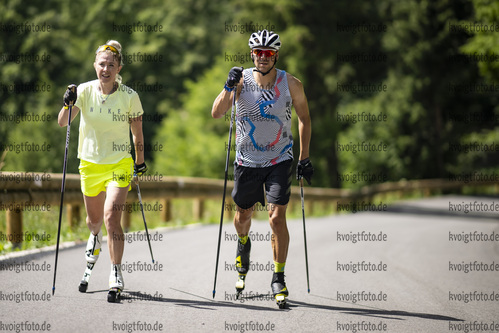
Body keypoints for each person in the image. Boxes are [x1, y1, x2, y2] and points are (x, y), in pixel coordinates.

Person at [211, 30, 313, 304]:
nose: (263, 58)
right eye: (258, 53)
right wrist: (228, 86)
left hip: (280, 159)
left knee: (276, 218)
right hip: (247, 161)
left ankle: (278, 277)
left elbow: (304, 118)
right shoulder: (241, 81)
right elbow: (217, 112)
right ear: (252, 54)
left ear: (276, 55)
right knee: (242, 217)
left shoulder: (291, 83)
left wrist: (304, 158)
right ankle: (243, 243)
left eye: (269, 53)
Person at [57, 40, 147, 302]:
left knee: (111, 218)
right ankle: (94, 238)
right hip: (90, 164)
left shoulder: (130, 96)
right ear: (94, 65)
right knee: (94, 222)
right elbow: (63, 122)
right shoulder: (83, 91)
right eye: (101, 64)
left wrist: (139, 162)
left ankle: (115, 273)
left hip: (120, 163)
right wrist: (66, 103)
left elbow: (137, 131)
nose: (106, 69)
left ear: (119, 67)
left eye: (111, 65)